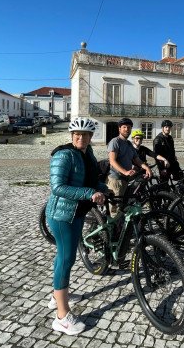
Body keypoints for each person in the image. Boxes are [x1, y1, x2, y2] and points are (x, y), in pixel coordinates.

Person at [45, 117, 107, 335]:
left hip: (77, 212)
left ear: (91, 137)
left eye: (85, 135)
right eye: (77, 135)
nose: (81, 138)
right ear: (71, 136)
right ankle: (61, 317)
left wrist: (105, 189)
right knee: (65, 258)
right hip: (62, 216)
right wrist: (90, 193)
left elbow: (91, 180)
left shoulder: (87, 154)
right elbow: (58, 187)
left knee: (67, 257)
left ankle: (57, 297)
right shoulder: (63, 154)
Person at [107, 118, 152, 213]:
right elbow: (112, 161)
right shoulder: (115, 142)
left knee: (123, 205)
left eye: (129, 127)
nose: (127, 129)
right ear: (119, 129)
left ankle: (120, 226)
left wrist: (146, 167)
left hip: (125, 179)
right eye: (124, 127)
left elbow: (136, 160)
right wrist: (125, 171)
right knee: (115, 209)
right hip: (116, 180)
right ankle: (112, 227)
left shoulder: (128, 144)